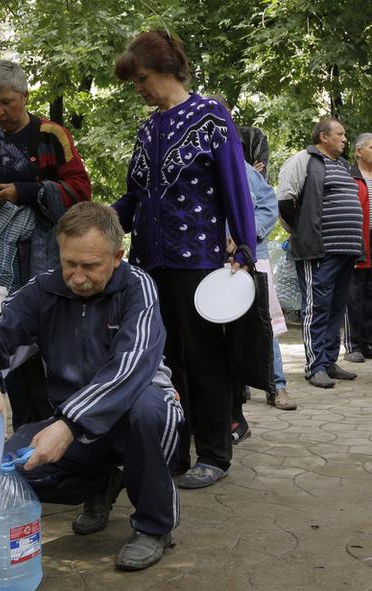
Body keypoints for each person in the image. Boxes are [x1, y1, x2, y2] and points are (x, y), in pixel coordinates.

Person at [0, 202, 183, 572]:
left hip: (133, 415)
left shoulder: (138, 289)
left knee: (149, 410)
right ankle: (101, 481)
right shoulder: (44, 289)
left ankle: (153, 525)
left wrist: (68, 425)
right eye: (70, 263)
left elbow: (128, 369)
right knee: (0, 474)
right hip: (75, 426)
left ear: (118, 256)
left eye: (91, 266)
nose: (78, 278)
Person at [111, 30, 256, 489]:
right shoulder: (148, 128)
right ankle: (174, 451)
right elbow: (134, 197)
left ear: (167, 71)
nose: (138, 88)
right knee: (163, 360)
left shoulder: (211, 115)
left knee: (205, 358)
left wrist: (245, 245)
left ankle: (214, 452)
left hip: (199, 261)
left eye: (142, 78)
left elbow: (236, 185)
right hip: (151, 264)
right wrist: (99, 224)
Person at [0, 59, 91, 429]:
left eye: (7, 102)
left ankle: (57, 424)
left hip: (44, 255)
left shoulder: (51, 135)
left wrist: (25, 191)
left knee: (47, 342)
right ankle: (23, 428)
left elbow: (80, 190)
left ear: (25, 96)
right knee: (7, 336)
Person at [277, 117, 364, 388]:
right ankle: (315, 366)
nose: (345, 139)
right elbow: (285, 201)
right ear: (323, 137)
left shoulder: (341, 165)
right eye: (340, 133)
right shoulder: (303, 160)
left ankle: (328, 361)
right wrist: (302, 232)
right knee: (316, 307)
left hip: (346, 250)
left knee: (336, 308)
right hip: (319, 250)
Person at [228, 162, 296, 443]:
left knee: (263, 323)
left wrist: (243, 235)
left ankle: (276, 385)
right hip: (213, 261)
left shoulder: (244, 170)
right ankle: (238, 390)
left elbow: (268, 205)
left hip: (252, 256)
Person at [343, 133, 372, 363]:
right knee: (354, 294)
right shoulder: (349, 176)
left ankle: (368, 342)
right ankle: (353, 345)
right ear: (359, 151)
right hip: (357, 237)